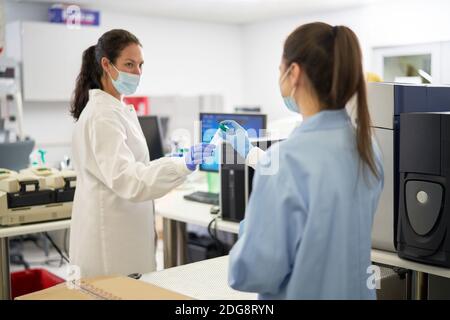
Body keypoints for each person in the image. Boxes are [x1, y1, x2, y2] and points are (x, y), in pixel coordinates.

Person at [221, 22, 384, 299]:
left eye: (279, 69)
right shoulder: (367, 147)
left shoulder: (287, 160)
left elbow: (249, 273)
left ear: (293, 73)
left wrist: (251, 226)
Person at [69, 29, 214, 277]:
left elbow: (136, 168)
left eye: (140, 65)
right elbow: (130, 179)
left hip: (124, 231)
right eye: (129, 64)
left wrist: (179, 164)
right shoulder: (103, 115)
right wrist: (181, 165)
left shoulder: (115, 109)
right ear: (106, 64)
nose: (137, 72)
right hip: (111, 242)